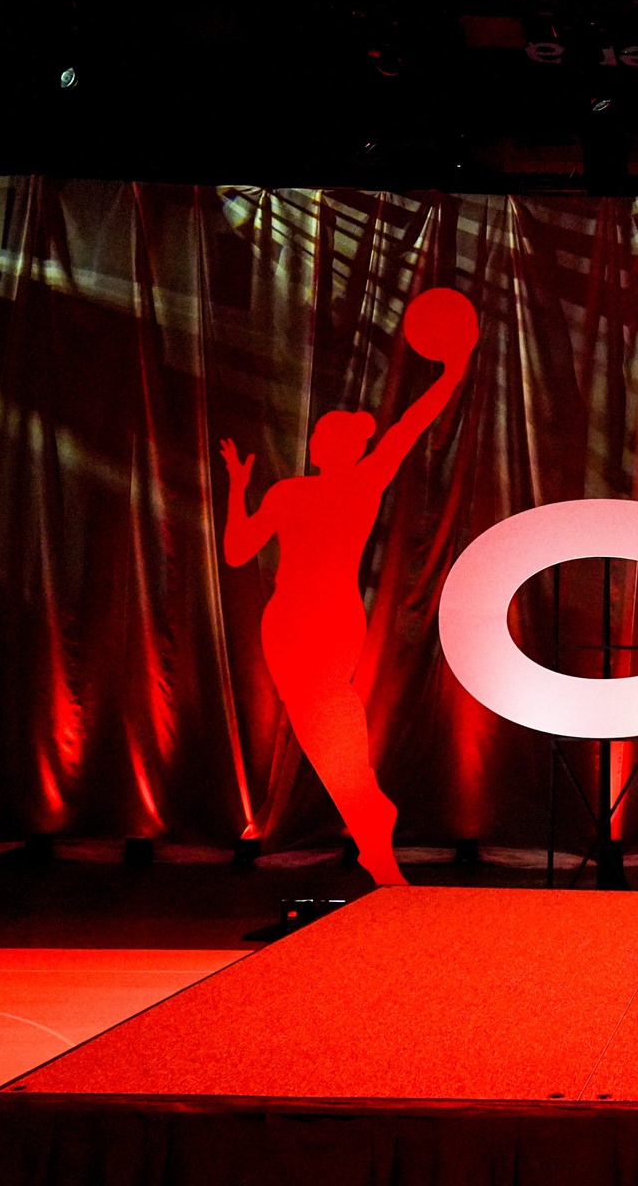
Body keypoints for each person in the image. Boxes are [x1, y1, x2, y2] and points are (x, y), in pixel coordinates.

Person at [219, 288, 479, 886]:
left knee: (324, 722)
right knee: (328, 722)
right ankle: (371, 822)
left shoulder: (329, 489)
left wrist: (452, 375)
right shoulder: (325, 490)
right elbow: (236, 552)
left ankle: (372, 833)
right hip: (311, 617)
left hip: (311, 617)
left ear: (326, 447)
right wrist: (237, 487)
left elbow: (409, 427)